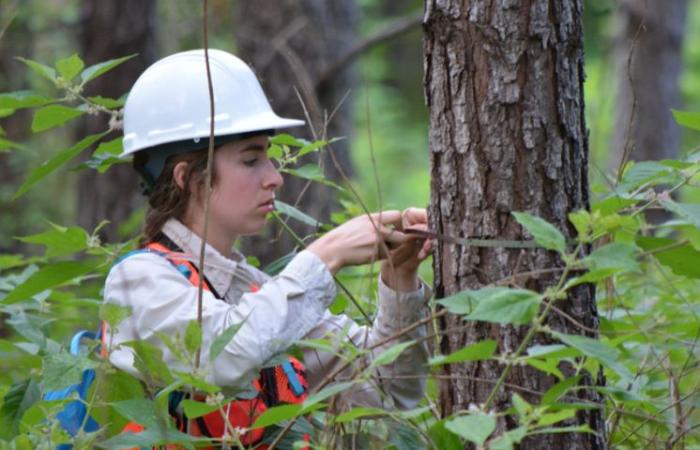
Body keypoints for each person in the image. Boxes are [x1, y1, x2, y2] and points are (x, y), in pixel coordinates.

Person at [103, 49, 432, 444]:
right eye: (250, 160)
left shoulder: (257, 291)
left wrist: (399, 278)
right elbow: (221, 357)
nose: (274, 177)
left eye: (269, 158)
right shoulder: (136, 282)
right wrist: (327, 254)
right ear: (187, 177)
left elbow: (390, 389)